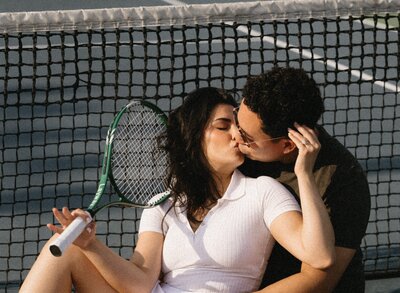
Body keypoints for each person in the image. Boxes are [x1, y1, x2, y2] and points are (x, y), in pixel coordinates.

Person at [20, 87, 335, 292]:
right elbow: (141, 282)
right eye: (223, 127)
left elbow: (319, 257)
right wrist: (90, 246)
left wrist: (303, 174)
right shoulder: (162, 202)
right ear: (196, 136)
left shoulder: (263, 192)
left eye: (237, 128)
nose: (236, 136)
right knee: (64, 249)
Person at [234, 67, 371, 293]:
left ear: (288, 145)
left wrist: (304, 176)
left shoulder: (344, 182)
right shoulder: (240, 150)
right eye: (235, 116)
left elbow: (318, 282)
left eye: (247, 137)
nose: (235, 136)